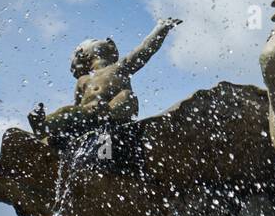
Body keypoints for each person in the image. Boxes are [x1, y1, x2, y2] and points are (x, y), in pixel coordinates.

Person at [29, 18, 181, 147]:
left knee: (127, 96)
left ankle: (108, 117)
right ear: (83, 54)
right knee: (67, 112)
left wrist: (161, 29)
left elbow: (145, 50)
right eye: (94, 41)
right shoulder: (83, 80)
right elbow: (76, 106)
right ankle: (43, 126)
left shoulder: (120, 67)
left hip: (113, 113)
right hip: (90, 115)